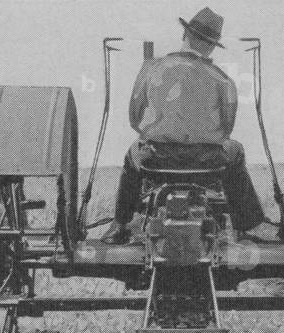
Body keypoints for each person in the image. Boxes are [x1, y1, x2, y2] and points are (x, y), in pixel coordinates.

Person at [102, 7, 266, 244]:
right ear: (211, 46)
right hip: (208, 161)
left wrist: (162, 132)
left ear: (185, 35)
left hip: (155, 160)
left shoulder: (151, 68)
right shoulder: (222, 79)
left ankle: (119, 225)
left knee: (132, 154)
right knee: (236, 150)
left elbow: (135, 119)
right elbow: (227, 127)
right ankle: (244, 228)